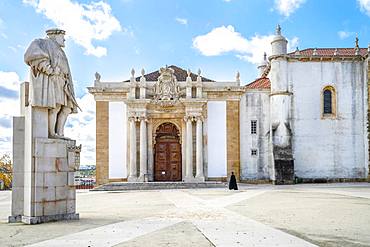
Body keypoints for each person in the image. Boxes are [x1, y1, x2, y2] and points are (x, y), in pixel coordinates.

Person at [24, 28, 80, 138]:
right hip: (54, 80)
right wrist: (50, 70)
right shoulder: (43, 43)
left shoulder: (59, 50)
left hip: (64, 82)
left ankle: (60, 133)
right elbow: (32, 56)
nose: (64, 40)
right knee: (56, 107)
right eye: (62, 37)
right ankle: (52, 134)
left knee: (67, 108)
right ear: (55, 35)